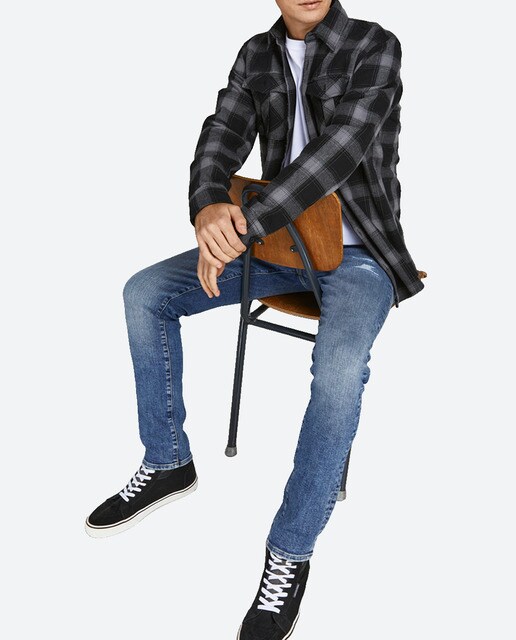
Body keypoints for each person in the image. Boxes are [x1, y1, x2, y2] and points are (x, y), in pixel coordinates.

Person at [85, 1, 425, 638]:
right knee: (144, 293)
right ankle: (168, 461)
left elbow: (337, 153)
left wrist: (243, 226)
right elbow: (221, 134)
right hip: (275, 248)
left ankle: (290, 549)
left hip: (360, 258)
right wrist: (207, 207)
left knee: (338, 370)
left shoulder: (374, 45)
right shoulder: (256, 54)